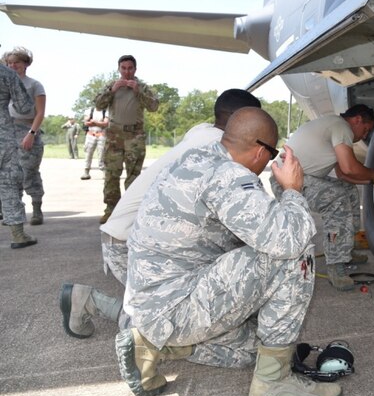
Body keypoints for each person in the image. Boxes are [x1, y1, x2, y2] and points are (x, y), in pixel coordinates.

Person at [113, 106, 338, 396]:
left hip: (156, 304)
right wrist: (293, 191)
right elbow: (286, 240)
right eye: (271, 156)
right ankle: (273, 385)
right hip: (177, 305)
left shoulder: (199, 157)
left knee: (255, 352)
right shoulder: (228, 176)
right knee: (295, 254)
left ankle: (152, 344)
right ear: (260, 151)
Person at [59, 89, 263, 339]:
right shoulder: (216, 148)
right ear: (239, 119)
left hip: (131, 237)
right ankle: (91, 301)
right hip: (131, 245)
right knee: (174, 327)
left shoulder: (203, 134)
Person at [270, 104, 374, 291]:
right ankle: (336, 266)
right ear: (358, 119)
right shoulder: (341, 126)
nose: (365, 136)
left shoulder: (333, 126)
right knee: (337, 199)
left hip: (293, 177)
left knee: (348, 190)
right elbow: (350, 167)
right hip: (287, 180)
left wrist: (372, 182)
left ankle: (346, 248)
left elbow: (344, 175)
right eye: (366, 130)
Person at [94, 54, 159, 224]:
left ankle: (131, 211)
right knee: (111, 174)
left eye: (130, 68)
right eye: (123, 68)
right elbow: (98, 104)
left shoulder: (142, 87)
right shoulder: (111, 86)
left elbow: (154, 106)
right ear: (119, 69)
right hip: (114, 136)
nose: (127, 72)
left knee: (133, 176)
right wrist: (112, 90)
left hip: (135, 136)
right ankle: (111, 209)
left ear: (135, 69)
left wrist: (139, 92)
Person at [3, 47, 47, 225]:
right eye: (10, 63)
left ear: (26, 64)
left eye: (17, 62)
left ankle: (37, 208)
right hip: (8, 131)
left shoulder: (34, 85)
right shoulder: (5, 83)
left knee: (29, 173)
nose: (13, 66)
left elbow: (40, 112)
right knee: (10, 175)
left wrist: (31, 134)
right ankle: (14, 214)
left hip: (28, 130)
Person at [0, 59, 37, 248]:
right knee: (8, 183)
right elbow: (24, 107)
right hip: (3, 136)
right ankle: (17, 235)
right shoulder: (7, 74)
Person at [80, 107, 108, 180]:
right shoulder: (89, 110)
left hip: (102, 135)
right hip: (90, 135)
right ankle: (86, 172)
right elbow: (86, 122)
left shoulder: (106, 111)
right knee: (88, 153)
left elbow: (106, 123)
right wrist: (99, 123)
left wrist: (94, 122)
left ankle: (104, 172)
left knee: (102, 154)